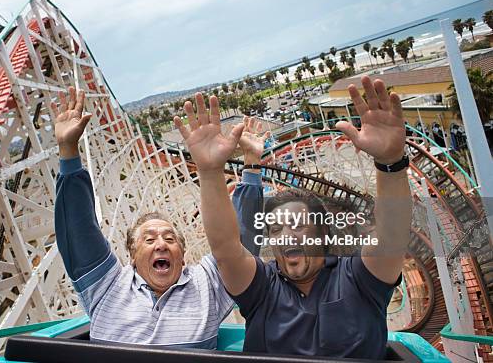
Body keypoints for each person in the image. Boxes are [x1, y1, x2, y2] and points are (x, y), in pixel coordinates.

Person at [174, 75, 412, 359]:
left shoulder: (358, 276)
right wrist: (210, 172)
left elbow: (392, 235)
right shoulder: (262, 286)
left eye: (298, 226)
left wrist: (390, 163)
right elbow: (226, 248)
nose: (286, 234)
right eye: (275, 230)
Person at [52, 87, 265, 349]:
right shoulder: (108, 286)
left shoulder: (206, 284)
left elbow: (239, 246)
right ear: (131, 254)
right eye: (149, 239)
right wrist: (68, 151)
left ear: (183, 254)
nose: (161, 244)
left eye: (170, 238)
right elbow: (78, 231)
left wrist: (252, 164)